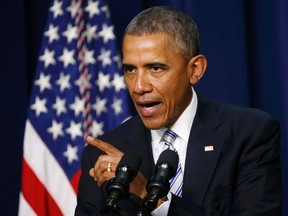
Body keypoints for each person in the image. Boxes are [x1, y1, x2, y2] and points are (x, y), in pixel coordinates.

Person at [75, 6, 282, 216]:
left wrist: (151, 199)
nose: (138, 87)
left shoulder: (248, 134)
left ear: (195, 70)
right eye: (130, 69)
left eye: (155, 68)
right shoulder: (102, 156)